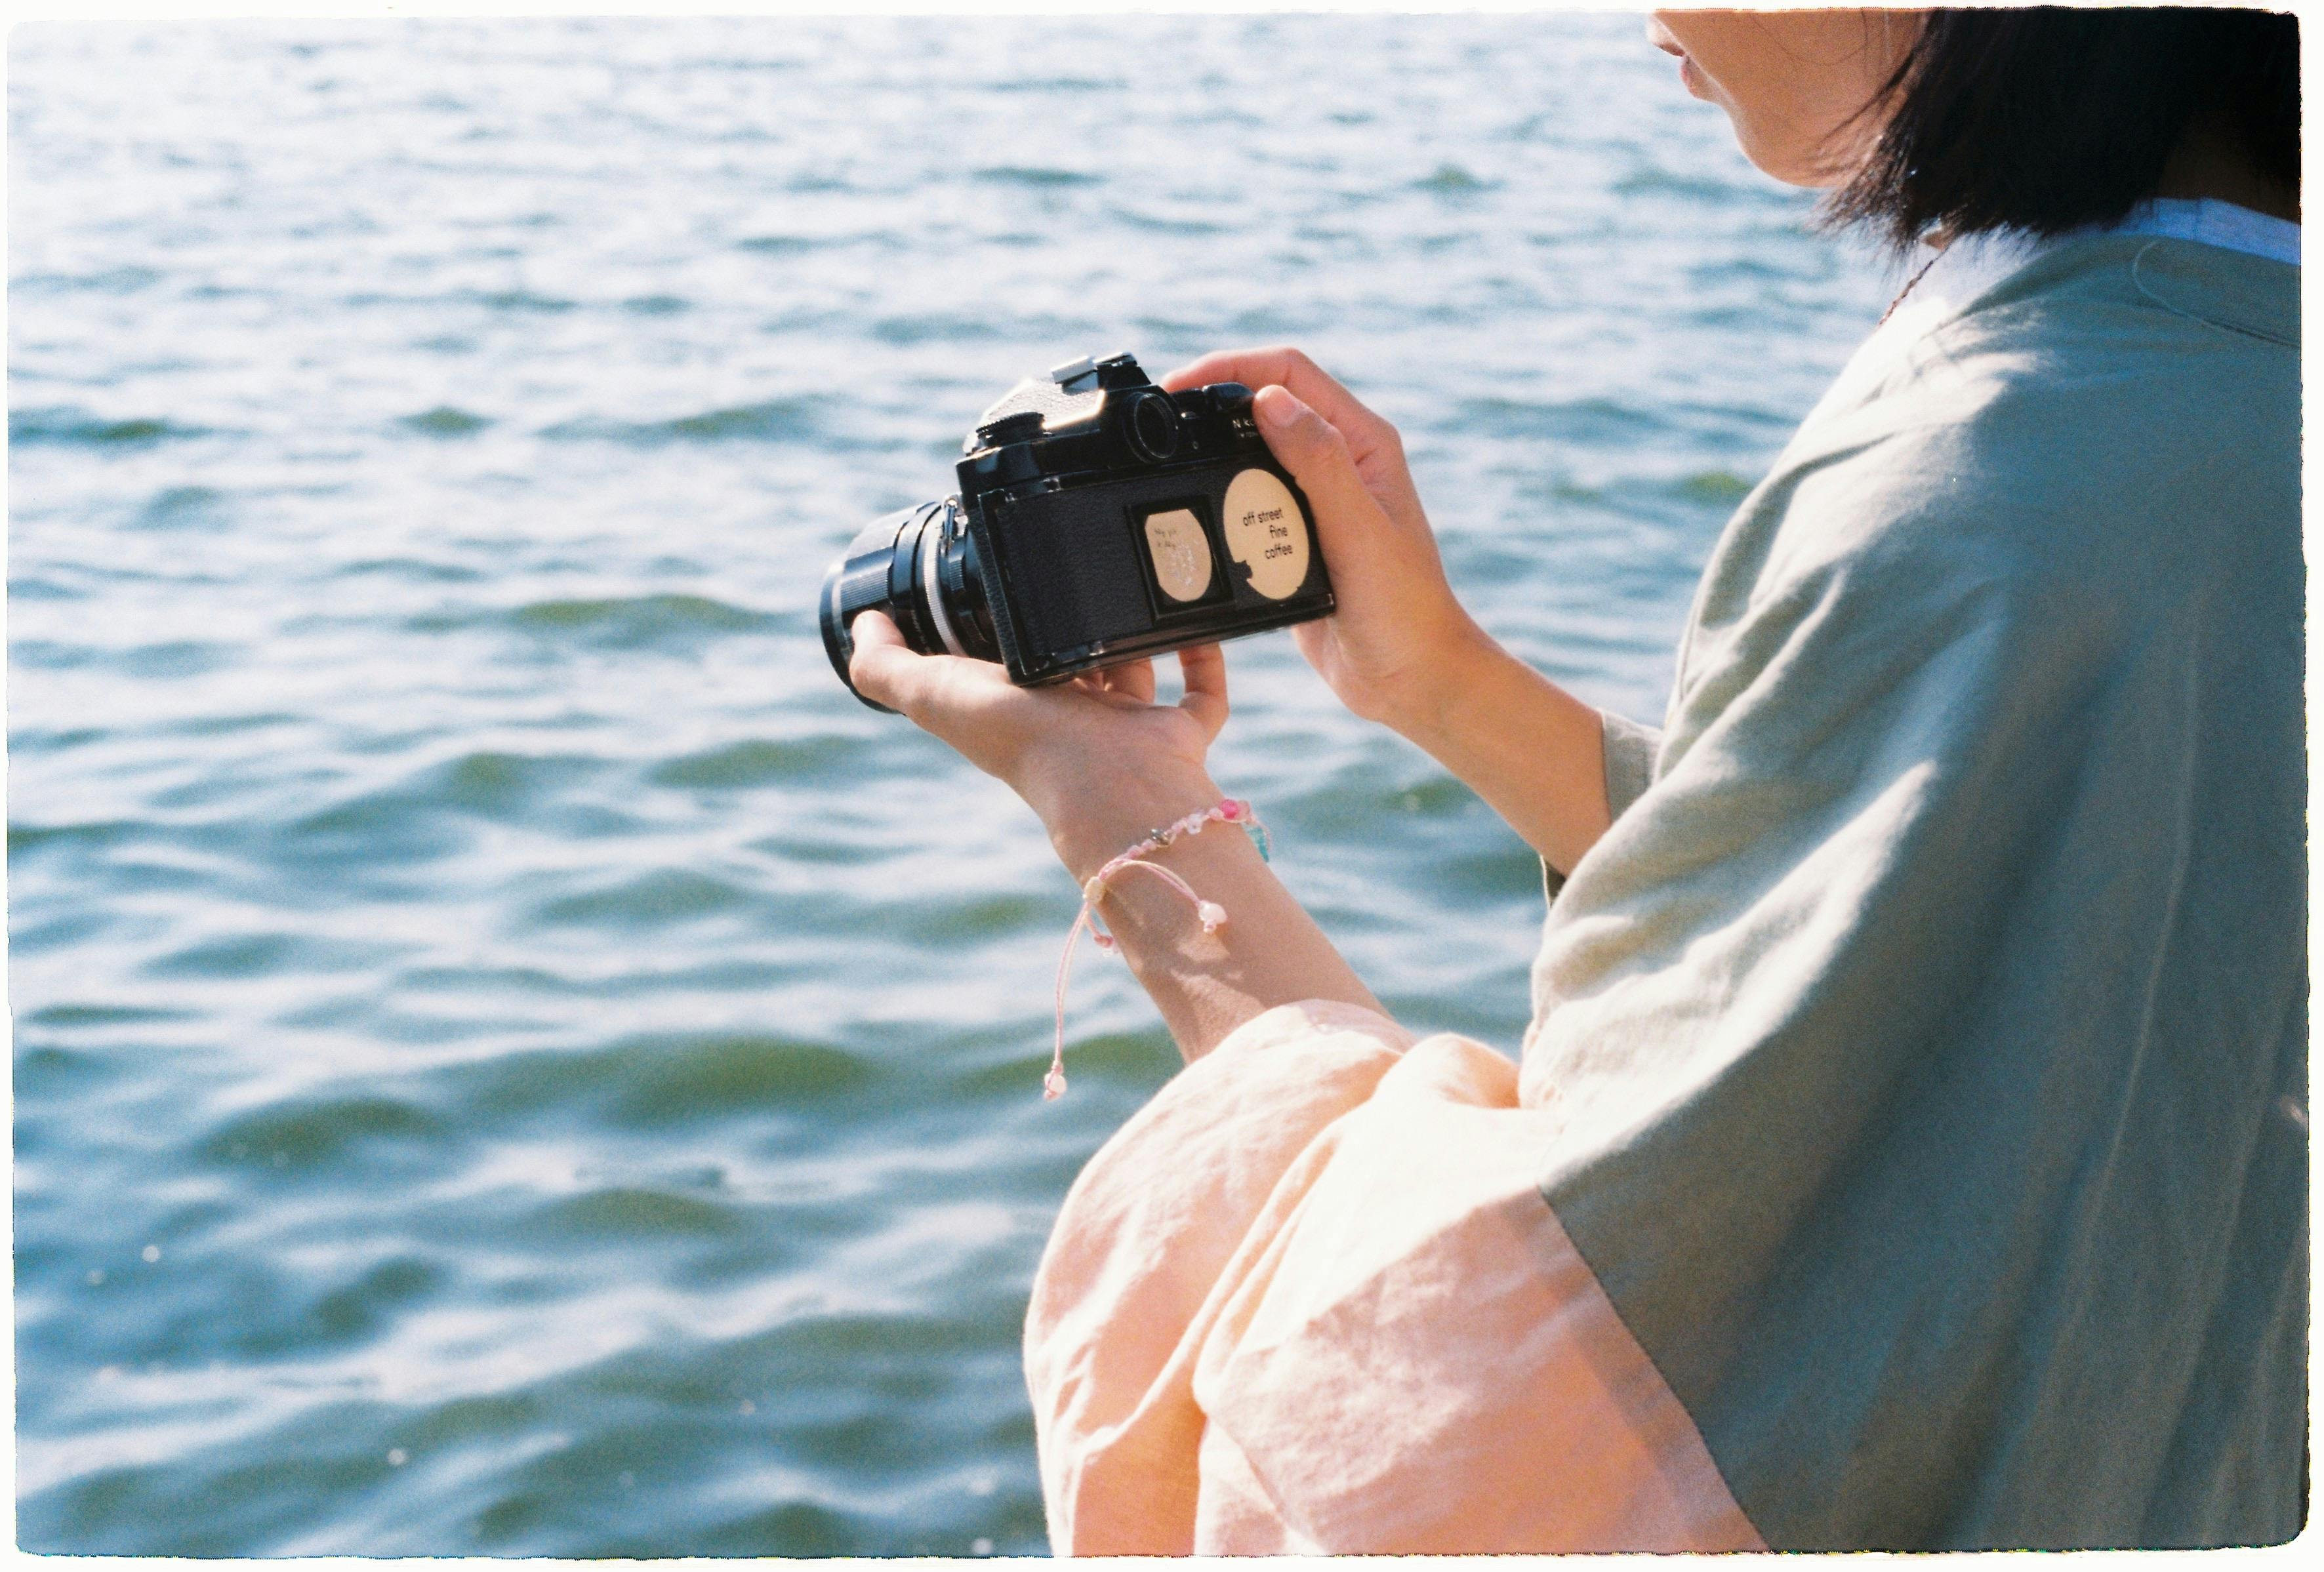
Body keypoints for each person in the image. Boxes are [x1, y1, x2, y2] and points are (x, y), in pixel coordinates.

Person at [846, 7, 2303, 1553]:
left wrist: (1130, 821)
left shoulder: (1996, 476)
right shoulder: (2212, 373)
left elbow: (1466, 1436)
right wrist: (1440, 683)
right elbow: (1995, 929)